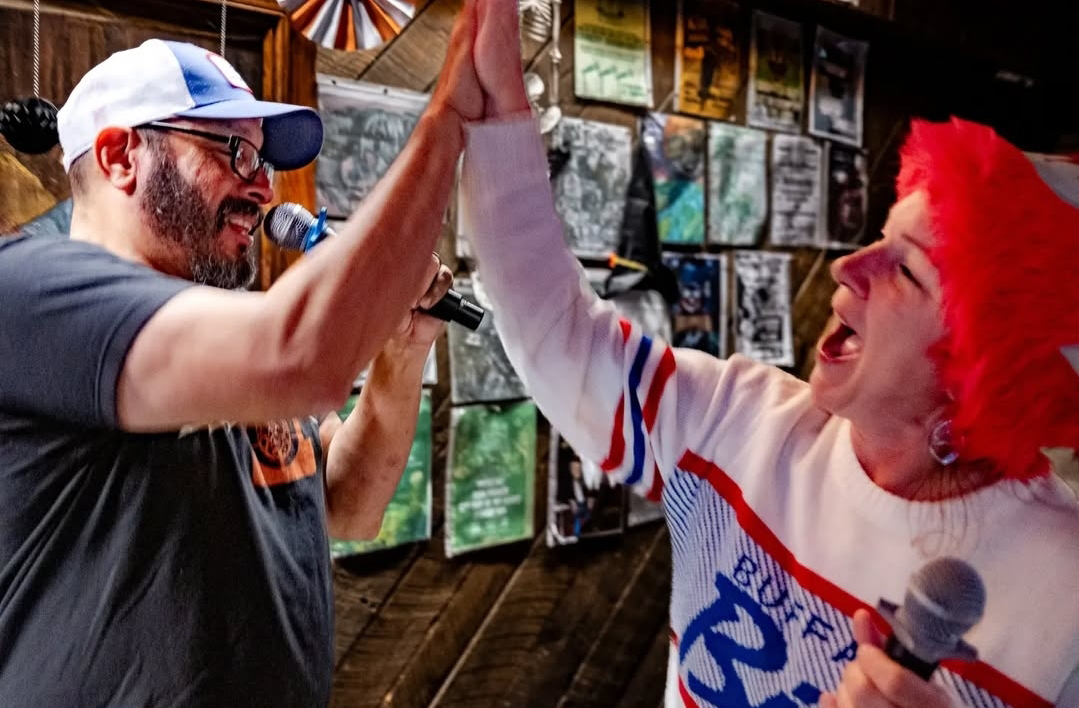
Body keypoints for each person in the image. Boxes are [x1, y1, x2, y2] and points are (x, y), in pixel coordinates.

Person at [459, 3, 1079, 706]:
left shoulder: (1064, 598)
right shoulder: (739, 420)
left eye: (906, 271)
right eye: (878, 237)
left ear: (987, 369)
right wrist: (497, 113)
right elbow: (550, 324)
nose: (848, 267)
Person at [0, 2, 489, 704]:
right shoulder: (33, 295)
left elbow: (349, 503)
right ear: (120, 157)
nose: (263, 187)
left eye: (263, 159)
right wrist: (447, 125)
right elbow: (302, 360)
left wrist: (402, 351)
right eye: (233, 152)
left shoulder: (228, 326)